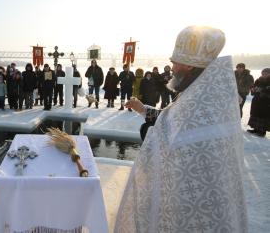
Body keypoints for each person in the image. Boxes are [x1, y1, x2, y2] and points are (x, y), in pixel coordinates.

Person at [115, 26, 247, 232]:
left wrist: (151, 133)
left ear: (190, 66)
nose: (172, 66)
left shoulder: (206, 102)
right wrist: (143, 109)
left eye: (175, 61)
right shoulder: (197, 93)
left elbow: (176, 140)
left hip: (198, 207)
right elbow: (172, 122)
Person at [247, 68, 270, 137]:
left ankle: (262, 131)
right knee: (255, 114)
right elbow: (253, 87)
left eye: (266, 73)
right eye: (263, 73)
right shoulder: (258, 80)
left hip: (266, 102)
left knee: (263, 116)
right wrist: (253, 89)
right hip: (257, 100)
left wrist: (263, 90)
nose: (264, 74)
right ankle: (255, 129)